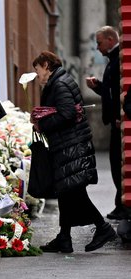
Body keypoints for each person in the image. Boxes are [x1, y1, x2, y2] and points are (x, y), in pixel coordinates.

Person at [31, 51, 116, 253]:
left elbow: (67, 113)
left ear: (46, 65)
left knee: (75, 193)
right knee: (66, 193)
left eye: (37, 70)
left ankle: (103, 228)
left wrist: (42, 125)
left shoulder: (59, 84)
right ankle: (64, 238)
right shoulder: (60, 81)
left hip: (71, 147)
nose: (37, 75)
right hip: (68, 146)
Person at [85, 26, 125, 220]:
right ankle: (121, 204)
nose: (97, 47)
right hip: (115, 123)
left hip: (120, 124)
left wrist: (120, 116)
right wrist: (98, 87)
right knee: (116, 165)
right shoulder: (114, 59)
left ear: (110, 39)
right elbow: (111, 93)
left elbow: (120, 94)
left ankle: (123, 205)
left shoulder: (119, 60)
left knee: (119, 165)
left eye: (99, 42)